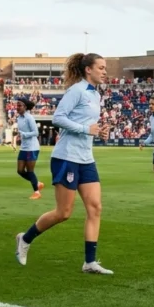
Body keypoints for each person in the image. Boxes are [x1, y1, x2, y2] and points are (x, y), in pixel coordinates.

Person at [14, 53, 112, 275]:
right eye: (101, 67)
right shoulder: (76, 90)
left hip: (86, 158)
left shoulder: (95, 94)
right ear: (89, 69)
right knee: (63, 212)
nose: (105, 71)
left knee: (95, 207)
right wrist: (87, 130)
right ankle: (25, 238)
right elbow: (58, 118)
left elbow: (86, 124)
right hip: (67, 156)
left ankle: (89, 262)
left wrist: (99, 132)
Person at [14, 98, 44, 199]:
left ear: (25, 107)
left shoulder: (29, 118)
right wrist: (19, 135)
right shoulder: (19, 118)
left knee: (30, 171)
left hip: (32, 147)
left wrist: (23, 134)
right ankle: (37, 183)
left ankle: (37, 192)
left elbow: (36, 133)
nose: (17, 107)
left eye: (19, 106)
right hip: (24, 147)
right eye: (17, 105)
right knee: (20, 170)